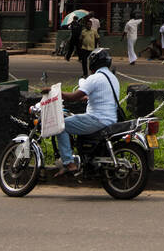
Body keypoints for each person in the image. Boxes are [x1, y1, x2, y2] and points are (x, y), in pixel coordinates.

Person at [50, 47, 120, 177]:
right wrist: (87, 97)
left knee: (61, 126)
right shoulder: (112, 78)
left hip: (97, 119)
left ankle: (69, 163)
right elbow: (102, 96)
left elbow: (73, 97)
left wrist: (55, 92)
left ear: (93, 63)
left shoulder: (94, 78)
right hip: (111, 119)